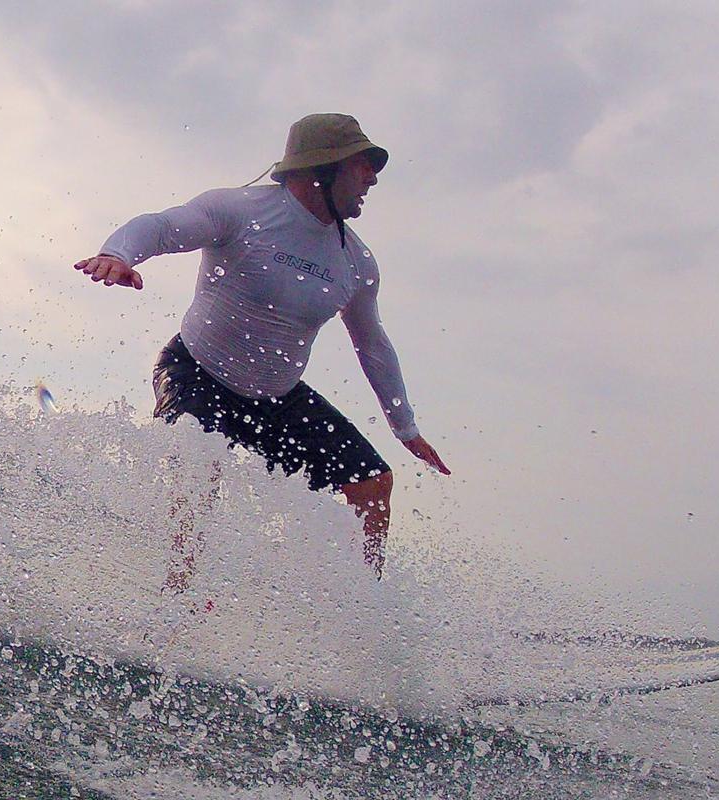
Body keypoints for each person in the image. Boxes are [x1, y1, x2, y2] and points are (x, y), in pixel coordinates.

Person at [73, 113, 449, 578]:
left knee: (372, 484)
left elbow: (372, 344)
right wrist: (118, 255)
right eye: (363, 165)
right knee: (198, 474)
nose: (372, 178)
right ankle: (174, 602)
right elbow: (163, 225)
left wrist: (405, 426)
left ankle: (362, 607)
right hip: (196, 374)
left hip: (277, 399)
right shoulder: (241, 212)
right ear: (322, 170)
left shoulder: (356, 262)